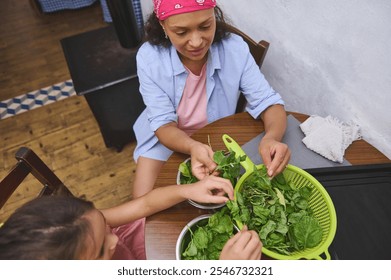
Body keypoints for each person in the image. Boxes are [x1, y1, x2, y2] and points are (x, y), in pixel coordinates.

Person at [132, 0, 291, 198]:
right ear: (163, 26)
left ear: (214, 16)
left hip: (217, 136)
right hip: (165, 139)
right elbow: (163, 124)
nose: (197, 41)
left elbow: (268, 102)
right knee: (142, 206)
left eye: (205, 26)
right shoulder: (149, 58)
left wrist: (272, 138)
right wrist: (192, 146)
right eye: (181, 32)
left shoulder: (234, 49)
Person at [0, 176, 262, 260]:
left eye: (106, 225)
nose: (114, 240)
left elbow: (144, 204)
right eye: (103, 249)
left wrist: (188, 190)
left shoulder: (82, 229)